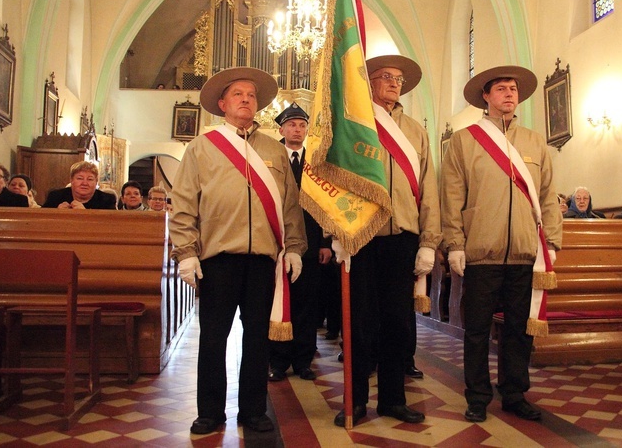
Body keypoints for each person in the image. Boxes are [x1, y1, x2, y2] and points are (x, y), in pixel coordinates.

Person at [169, 67, 306, 435]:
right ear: (222, 104)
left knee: (257, 338)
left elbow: (290, 205)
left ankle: (254, 409)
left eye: (251, 95)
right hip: (218, 258)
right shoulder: (202, 146)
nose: (246, 99)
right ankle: (211, 411)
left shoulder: (274, 149)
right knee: (213, 338)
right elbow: (183, 203)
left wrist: (293, 247)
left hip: (264, 259)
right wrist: (186, 252)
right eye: (238, 94)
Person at [441, 65, 562, 423]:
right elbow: (451, 196)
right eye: (501, 89)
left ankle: (514, 393)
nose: (509, 93)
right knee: (477, 331)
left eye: (513, 89)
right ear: (486, 95)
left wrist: (551, 241)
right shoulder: (464, 140)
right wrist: (455, 243)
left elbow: (548, 194)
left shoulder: (535, 141)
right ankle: (477, 395)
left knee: (519, 330)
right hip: (481, 252)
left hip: (526, 253)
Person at [331, 55, 441, 427]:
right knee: (359, 322)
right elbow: (337, 181)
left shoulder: (415, 131)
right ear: (370, 83)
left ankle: (393, 399)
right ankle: (356, 399)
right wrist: (337, 233)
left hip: (403, 238)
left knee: (398, 322)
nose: (394, 83)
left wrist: (429, 240)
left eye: (399, 78)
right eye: (386, 77)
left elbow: (429, 189)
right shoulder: (355, 125)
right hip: (361, 235)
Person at [268, 103, 332, 383]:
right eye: (292, 125)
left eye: (302, 125)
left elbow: (325, 205)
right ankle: (278, 361)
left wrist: (325, 243)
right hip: (277, 245)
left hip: (309, 244)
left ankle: (304, 360)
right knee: (280, 305)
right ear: (281, 129)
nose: (297, 129)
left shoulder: (316, 163)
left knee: (308, 306)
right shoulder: (270, 158)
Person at [43, 162, 116, 209]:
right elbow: (40, 221)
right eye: (80, 178)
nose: (84, 183)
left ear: (96, 182)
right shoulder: (55, 197)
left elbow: (111, 226)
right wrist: (56, 213)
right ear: (71, 180)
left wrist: (84, 214)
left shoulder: (107, 200)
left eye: (90, 179)